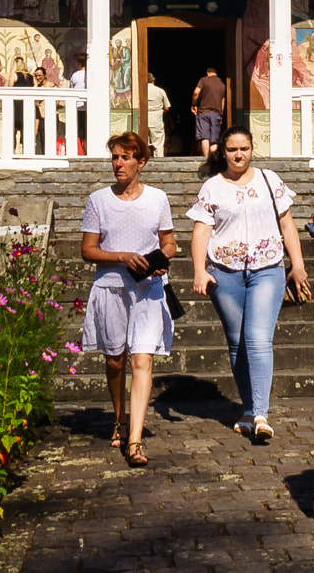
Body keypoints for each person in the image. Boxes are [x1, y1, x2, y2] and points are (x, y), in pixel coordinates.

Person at [188, 129, 310, 441]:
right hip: (225, 273)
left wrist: (297, 265)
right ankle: (247, 409)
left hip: (266, 268)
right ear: (223, 152)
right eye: (232, 149)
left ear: (252, 149)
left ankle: (261, 413)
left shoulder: (268, 180)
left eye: (244, 148)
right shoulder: (212, 187)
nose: (239, 154)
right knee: (236, 342)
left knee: (257, 339)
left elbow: (287, 223)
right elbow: (201, 231)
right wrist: (199, 270)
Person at [80, 130, 177, 467]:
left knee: (142, 359)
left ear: (141, 162)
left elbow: (169, 242)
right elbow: (87, 250)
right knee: (115, 360)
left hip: (147, 290)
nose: (118, 164)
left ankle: (134, 440)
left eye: (125, 158)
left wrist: (159, 262)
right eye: (115, 157)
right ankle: (119, 419)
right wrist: (123, 256)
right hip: (110, 288)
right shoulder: (98, 200)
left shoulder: (157, 199)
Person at [191, 66, 227, 156]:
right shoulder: (222, 85)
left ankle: (206, 158)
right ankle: (212, 159)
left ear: (208, 73)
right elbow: (223, 101)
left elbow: (196, 92)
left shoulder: (204, 80)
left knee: (204, 137)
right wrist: (221, 114)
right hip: (216, 114)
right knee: (214, 140)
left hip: (203, 112)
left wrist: (194, 104)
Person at [144, 73, 171, 157]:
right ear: (154, 79)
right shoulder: (160, 91)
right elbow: (167, 107)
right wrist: (159, 112)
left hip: (144, 120)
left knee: (144, 143)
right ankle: (159, 162)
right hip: (156, 119)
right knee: (158, 143)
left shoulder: (141, 91)